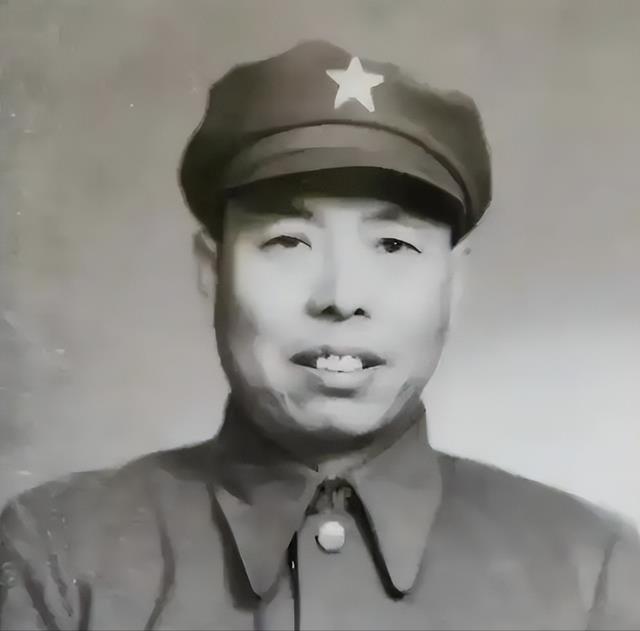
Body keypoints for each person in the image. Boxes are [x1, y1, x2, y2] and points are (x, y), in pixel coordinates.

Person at [1, 40, 638, 631]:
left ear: (454, 282)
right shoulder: (58, 558)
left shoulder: (594, 574)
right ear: (212, 271)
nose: (341, 295)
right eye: (288, 241)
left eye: (393, 244)